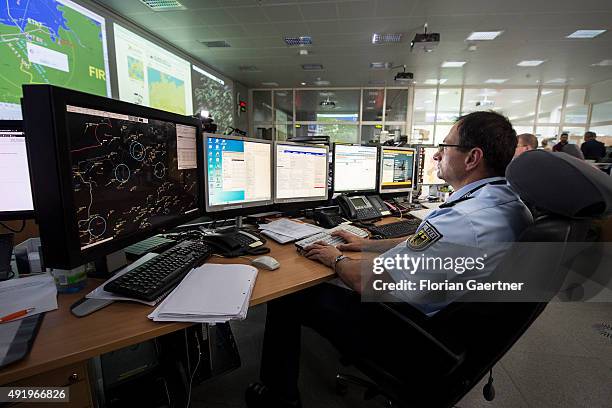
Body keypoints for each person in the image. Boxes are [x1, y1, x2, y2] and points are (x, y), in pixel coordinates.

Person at [245, 111, 533, 408]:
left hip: (409, 330)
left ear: (472, 158)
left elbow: (367, 281)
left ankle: (280, 399)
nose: (435, 156)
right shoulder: (508, 204)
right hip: (452, 326)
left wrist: (335, 259)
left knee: (291, 297)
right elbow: (423, 241)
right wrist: (368, 244)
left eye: (444, 147)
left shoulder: (463, 221)